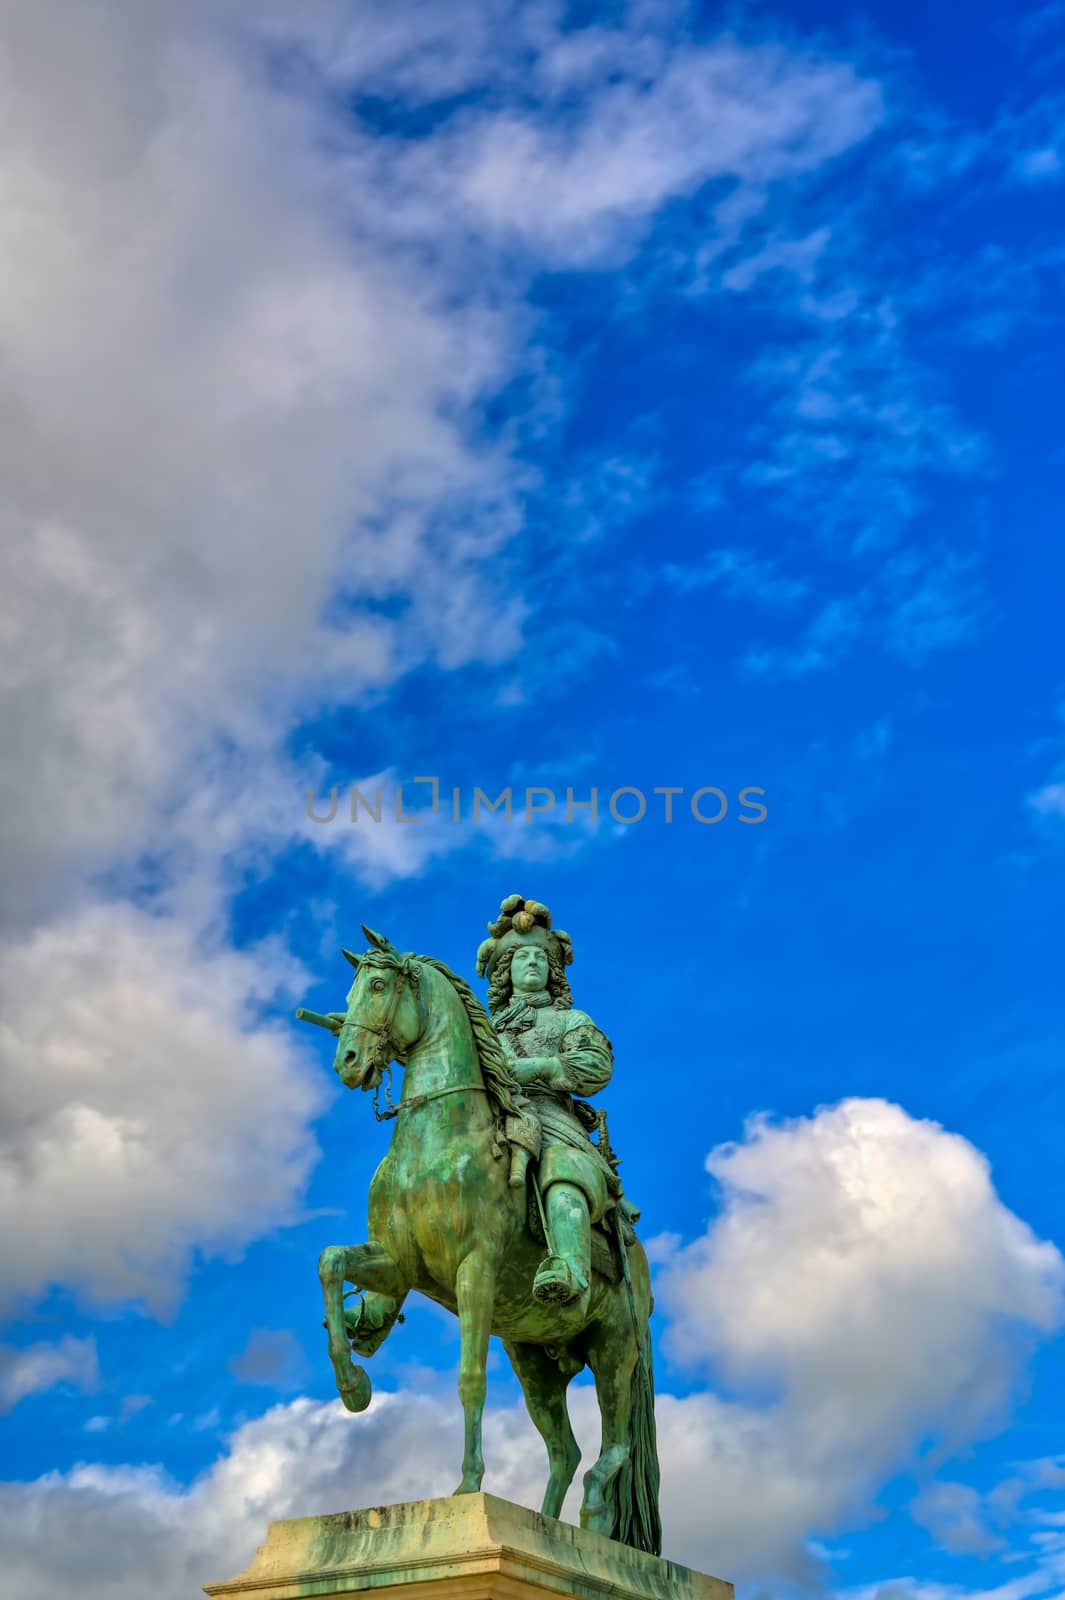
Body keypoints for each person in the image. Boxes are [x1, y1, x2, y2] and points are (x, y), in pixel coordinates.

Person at [476, 895, 623, 1308]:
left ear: (553, 970)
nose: (532, 964)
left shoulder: (571, 1021)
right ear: (506, 972)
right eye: (522, 958)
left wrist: (537, 1067)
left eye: (541, 958)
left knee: (559, 1168)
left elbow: (596, 1066)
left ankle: (570, 1267)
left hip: (553, 1118)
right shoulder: (482, 1029)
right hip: (490, 1117)